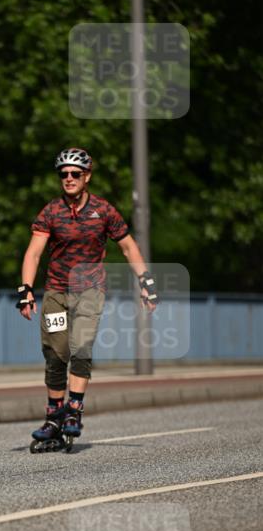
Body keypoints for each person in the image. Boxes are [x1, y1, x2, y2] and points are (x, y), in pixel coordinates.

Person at [17, 147, 158, 451]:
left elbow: (128, 247)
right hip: (56, 292)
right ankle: (54, 416)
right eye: (63, 174)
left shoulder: (103, 211)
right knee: (55, 354)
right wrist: (25, 290)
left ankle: (74, 410)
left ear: (87, 176)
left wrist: (146, 282)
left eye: (75, 174)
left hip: (90, 291)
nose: (68, 178)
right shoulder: (51, 211)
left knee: (81, 347)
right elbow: (34, 253)